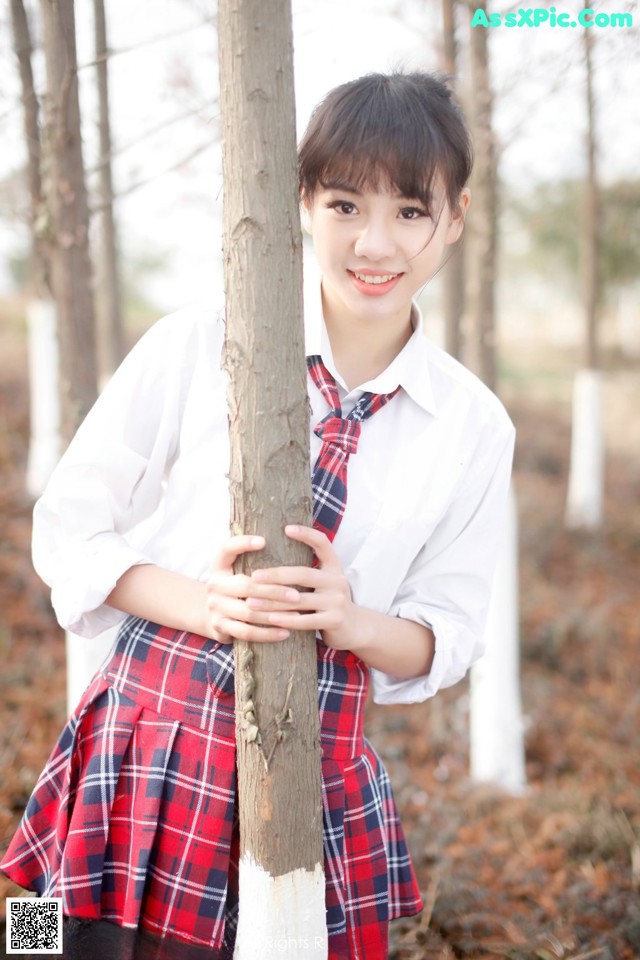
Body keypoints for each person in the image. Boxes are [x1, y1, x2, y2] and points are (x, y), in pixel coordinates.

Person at [1, 71, 515, 959]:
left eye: (410, 211)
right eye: (346, 204)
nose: (375, 242)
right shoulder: (199, 340)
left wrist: (351, 622)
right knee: (42, 942)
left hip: (314, 781)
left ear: (456, 217)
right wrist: (200, 602)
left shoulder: (474, 426)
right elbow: (67, 521)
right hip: (140, 746)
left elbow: (449, 637)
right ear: (303, 202)